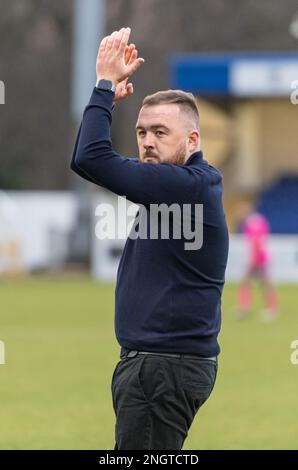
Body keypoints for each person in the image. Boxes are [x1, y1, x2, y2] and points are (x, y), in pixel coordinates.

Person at [71, 27, 229, 450]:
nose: (147, 142)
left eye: (161, 132)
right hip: (161, 366)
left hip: (161, 369)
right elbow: (85, 159)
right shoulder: (183, 186)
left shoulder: (186, 185)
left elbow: (91, 158)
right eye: (141, 132)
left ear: (192, 140)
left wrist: (103, 85)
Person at [236, 211, 278, 320]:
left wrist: (253, 260)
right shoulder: (259, 222)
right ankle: (247, 308)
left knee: (250, 282)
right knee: (261, 283)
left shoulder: (251, 225)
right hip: (261, 257)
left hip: (257, 258)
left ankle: (246, 308)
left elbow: (256, 243)